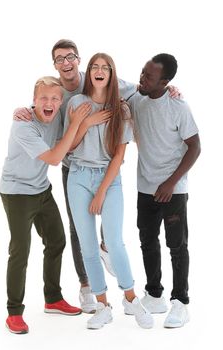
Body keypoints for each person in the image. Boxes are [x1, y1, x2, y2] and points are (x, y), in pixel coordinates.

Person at [13, 39, 137, 312]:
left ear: (79, 60)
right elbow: (41, 104)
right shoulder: (58, 91)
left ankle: (108, 250)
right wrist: (21, 110)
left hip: (105, 166)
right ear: (55, 65)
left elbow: (135, 89)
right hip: (74, 164)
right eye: (59, 59)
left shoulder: (95, 77)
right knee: (78, 228)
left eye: (70, 57)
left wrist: (168, 89)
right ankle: (86, 285)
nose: (66, 63)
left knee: (110, 223)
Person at [64, 52, 154, 330]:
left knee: (114, 242)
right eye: (95, 67)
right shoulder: (77, 103)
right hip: (78, 176)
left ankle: (130, 298)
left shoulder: (122, 109)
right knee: (88, 245)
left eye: (105, 68)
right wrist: (86, 122)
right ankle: (103, 305)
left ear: (112, 74)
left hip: (109, 178)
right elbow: (70, 146)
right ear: (89, 72)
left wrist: (102, 191)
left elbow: (118, 156)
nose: (99, 71)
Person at [0, 76, 91, 334]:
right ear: (33, 101)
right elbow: (54, 158)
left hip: (41, 189)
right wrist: (75, 124)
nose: (49, 103)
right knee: (20, 251)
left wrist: (80, 121)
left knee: (57, 241)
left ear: (60, 102)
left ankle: (52, 299)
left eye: (54, 99)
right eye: (43, 99)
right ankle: (14, 312)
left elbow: (69, 141)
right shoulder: (24, 126)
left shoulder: (59, 114)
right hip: (16, 192)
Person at [128, 53, 201, 328]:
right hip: (145, 187)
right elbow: (113, 86)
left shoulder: (178, 106)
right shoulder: (137, 99)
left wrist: (171, 183)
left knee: (177, 246)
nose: (142, 79)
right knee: (147, 241)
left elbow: (195, 147)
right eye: (143, 72)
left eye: (149, 76)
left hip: (173, 189)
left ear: (166, 81)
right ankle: (154, 294)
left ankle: (180, 302)